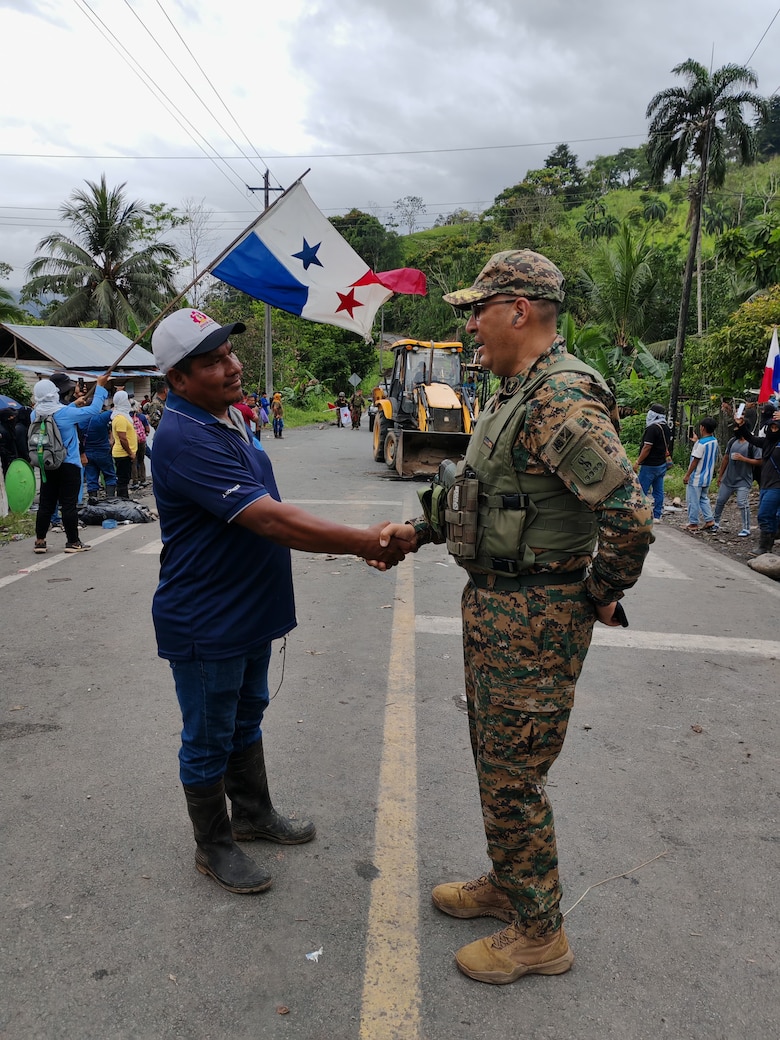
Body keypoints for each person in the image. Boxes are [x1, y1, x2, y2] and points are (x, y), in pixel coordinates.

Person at [379, 250, 652, 985]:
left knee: (514, 775)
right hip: (499, 606)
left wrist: (596, 593)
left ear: (519, 311)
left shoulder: (560, 398)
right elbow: (480, 493)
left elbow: (629, 518)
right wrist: (419, 531)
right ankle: (510, 884)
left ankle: (540, 934)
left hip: (536, 615)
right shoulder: (513, 392)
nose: (470, 325)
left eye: (479, 310)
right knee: (495, 760)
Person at [149, 307, 410, 896]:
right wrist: (363, 540)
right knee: (208, 734)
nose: (233, 366)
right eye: (213, 361)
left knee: (247, 715)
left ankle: (252, 812)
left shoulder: (226, 418)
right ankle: (213, 845)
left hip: (248, 606)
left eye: (230, 352)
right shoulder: (185, 437)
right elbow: (269, 518)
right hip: (209, 616)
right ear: (178, 380)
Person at [31, 371, 110, 553]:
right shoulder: (66, 413)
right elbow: (93, 410)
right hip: (68, 464)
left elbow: (56, 411)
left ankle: (40, 541)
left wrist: (74, 404)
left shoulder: (34, 414)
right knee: (68, 504)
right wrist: (99, 387)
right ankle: (73, 542)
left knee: (46, 503)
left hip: (47, 463)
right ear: (54, 393)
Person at [734, 409, 780, 553]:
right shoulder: (767, 442)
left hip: (776, 486)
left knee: (764, 515)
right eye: (772, 427)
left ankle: (764, 547)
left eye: (777, 427)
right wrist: (741, 425)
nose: (773, 430)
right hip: (765, 485)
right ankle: (768, 545)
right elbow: (750, 438)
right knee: (770, 515)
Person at [711, 429, 759, 536]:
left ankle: (746, 528)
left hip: (744, 479)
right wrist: (720, 476)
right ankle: (715, 522)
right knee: (720, 500)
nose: (735, 429)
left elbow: (759, 461)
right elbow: (726, 458)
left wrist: (743, 459)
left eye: (738, 427)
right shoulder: (732, 441)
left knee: (742, 502)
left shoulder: (753, 443)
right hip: (728, 478)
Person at [633, 403, 672, 523]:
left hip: (649, 465)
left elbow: (647, 447)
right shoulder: (666, 427)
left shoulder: (652, 428)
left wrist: (638, 462)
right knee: (658, 491)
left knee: (641, 490)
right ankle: (657, 515)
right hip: (661, 464)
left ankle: (640, 515)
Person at [682, 418, 719, 532]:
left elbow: (695, 460)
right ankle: (709, 519)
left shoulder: (701, 444)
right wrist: (696, 441)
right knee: (703, 498)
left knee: (692, 500)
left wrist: (687, 474)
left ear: (703, 427)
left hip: (696, 476)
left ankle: (693, 523)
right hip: (707, 476)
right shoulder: (714, 441)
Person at [81, 407, 117, 505]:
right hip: (103, 451)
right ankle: (110, 500)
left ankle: (93, 502)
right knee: (109, 476)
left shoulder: (81, 420)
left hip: (88, 453)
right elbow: (115, 410)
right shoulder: (101, 418)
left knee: (91, 478)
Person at [111, 390, 138, 499]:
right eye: (127, 399)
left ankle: (124, 500)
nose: (129, 401)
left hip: (125, 454)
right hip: (123, 454)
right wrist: (130, 453)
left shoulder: (123, 416)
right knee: (122, 480)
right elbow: (122, 438)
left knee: (125, 479)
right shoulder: (120, 418)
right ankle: (123, 501)